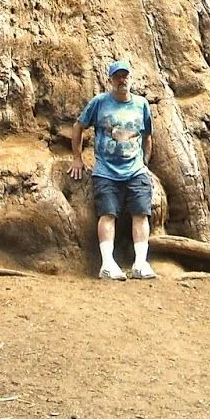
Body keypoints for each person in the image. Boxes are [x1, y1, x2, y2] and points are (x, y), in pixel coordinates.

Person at [70, 58, 156, 280]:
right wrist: (77, 159)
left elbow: (147, 136)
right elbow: (78, 127)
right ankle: (107, 264)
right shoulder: (99, 103)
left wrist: (144, 164)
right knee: (107, 214)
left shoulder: (141, 104)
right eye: (117, 76)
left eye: (125, 75)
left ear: (130, 78)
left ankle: (140, 263)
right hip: (106, 171)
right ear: (110, 80)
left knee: (141, 213)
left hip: (135, 170)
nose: (122, 80)